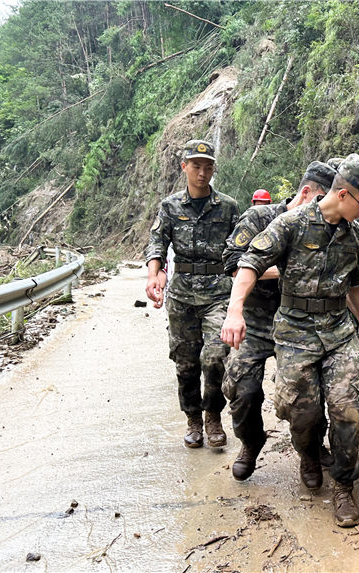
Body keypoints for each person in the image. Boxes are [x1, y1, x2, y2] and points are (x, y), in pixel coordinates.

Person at [221, 153, 359, 528]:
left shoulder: (355, 233)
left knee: (347, 409)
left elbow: (358, 282)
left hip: (337, 330)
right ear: (344, 195)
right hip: (295, 331)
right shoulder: (290, 223)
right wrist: (234, 311)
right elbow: (248, 264)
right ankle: (309, 454)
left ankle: (344, 486)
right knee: (302, 412)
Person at [221, 161, 335, 481]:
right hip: (257, 322)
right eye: (321, 199)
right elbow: (234, 263)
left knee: (309, 392)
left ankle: (310, 451)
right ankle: (251, 441)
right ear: (305, 193)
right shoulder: (259, 218)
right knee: (241, 389)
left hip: (300, 322)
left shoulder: (325, 226)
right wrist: (286, 269)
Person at [145, 139, 240, 449]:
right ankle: (193, 420)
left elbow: (240, 249)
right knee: (185, 363)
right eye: (196, 166)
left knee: (214, 357)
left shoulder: (228, 207)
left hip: (217, 294)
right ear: (184, 167)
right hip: (182, 295)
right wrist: (154, 274)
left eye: (208, 166)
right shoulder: (170, 206)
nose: (202, 172)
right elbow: (157, 242)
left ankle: (213, 414)